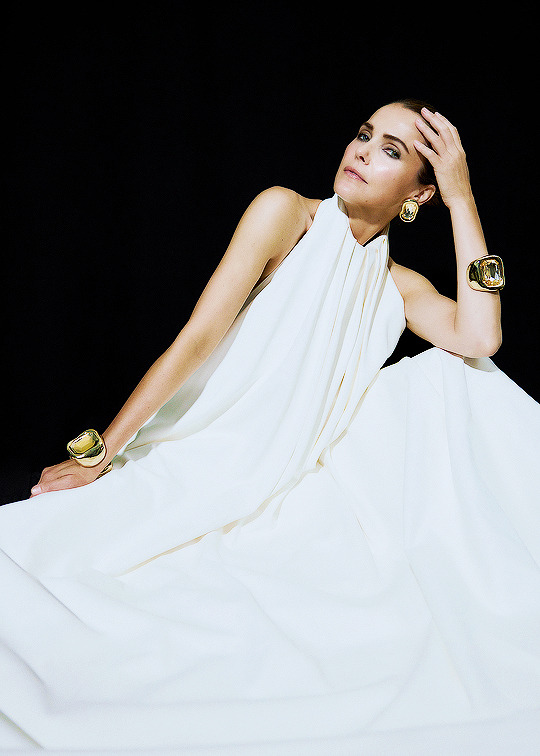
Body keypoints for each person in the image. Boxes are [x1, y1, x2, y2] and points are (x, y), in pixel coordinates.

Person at [1, 100, 539, 753]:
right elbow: (197, 338)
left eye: (391, 150)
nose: (363, 150)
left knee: (465, 377)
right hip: (202, 456)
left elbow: (481, 337)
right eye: (365, 133)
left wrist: (461, 197)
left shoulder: (397, 287)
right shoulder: (286, 214)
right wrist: (101, 452)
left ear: (417, 195)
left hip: (285, 487)